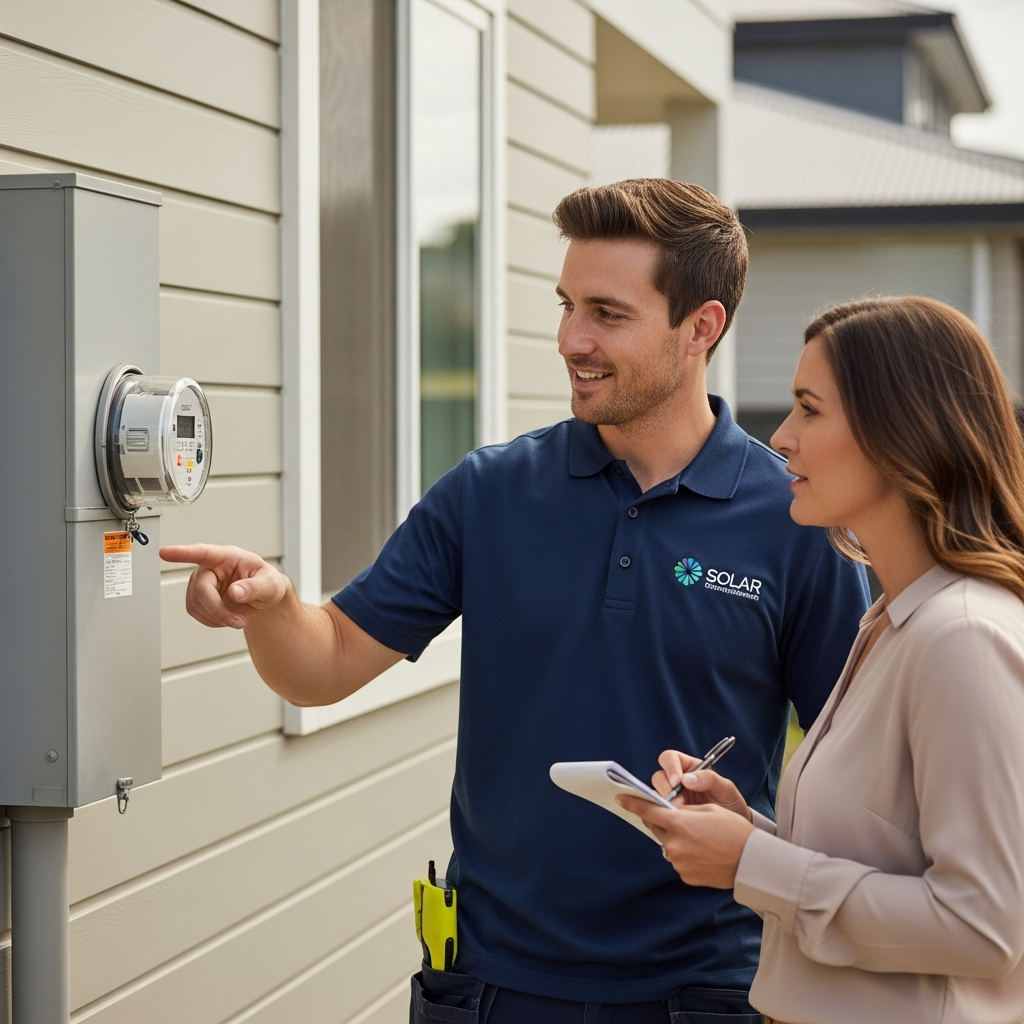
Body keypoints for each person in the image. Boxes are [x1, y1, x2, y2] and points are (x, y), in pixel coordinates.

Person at [161, 180, 869, 1023]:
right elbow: (326, 665)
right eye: (567, 305)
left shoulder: (796, 516)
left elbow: (853, 783)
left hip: (707, 994)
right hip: (488, 989)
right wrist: (274, 607)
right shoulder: (490, 492)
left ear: (701, 328)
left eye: (607, 313)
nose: (571, 338)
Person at [621, 296, 1024, 1024]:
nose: (782, 438)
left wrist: (751, 863)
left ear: (902, 432)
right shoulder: (892, 621)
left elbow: (983, 926)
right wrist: (747, 829)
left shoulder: (962, 637)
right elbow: (887, 858)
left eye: (810, 409)